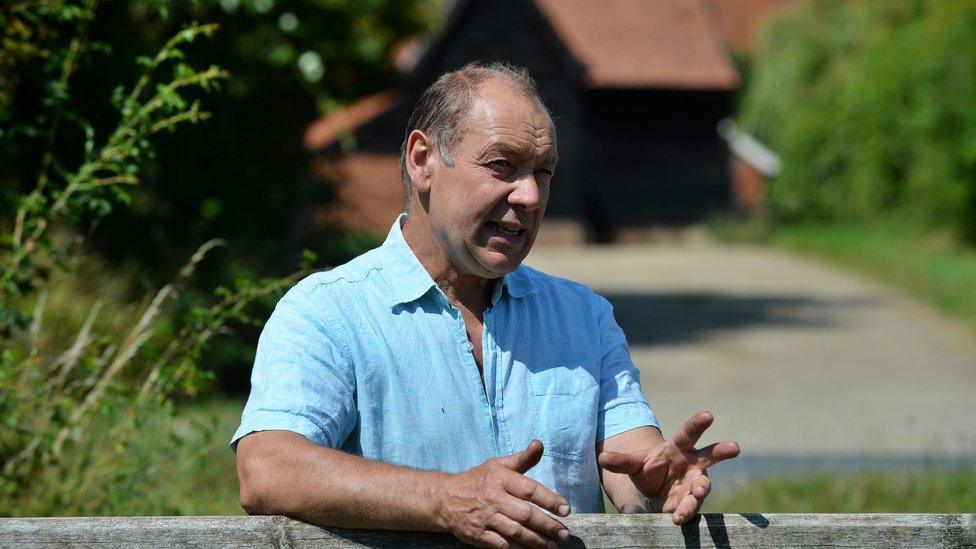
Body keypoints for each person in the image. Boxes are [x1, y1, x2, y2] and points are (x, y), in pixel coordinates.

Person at [232, 62, 740, 548]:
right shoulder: (328, 312)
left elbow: (632, 465)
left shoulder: (583, 316)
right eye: (502, 165)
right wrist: (443, 499)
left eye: (543, 172)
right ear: (422, 160)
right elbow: (268, 468)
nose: (530, 196)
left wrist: (658, 489)